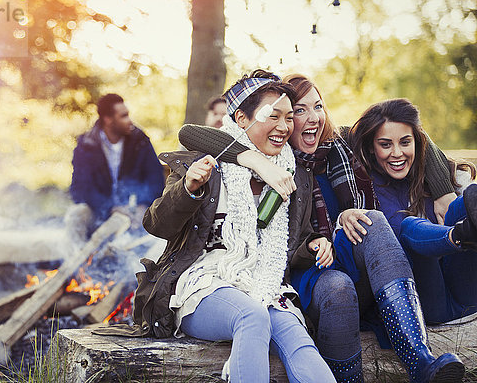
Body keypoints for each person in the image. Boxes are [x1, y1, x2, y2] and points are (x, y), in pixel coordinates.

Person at [178, 75, 465, 382]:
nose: (311, 117)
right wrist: (256, 161)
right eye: (298, 111)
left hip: (347, 252)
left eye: (318, 106)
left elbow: (411, 129)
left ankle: (419, 360)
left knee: (374, 221)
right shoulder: (276, 155)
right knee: (335, 286)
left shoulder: (339, 144)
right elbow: (190, 133)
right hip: (305, 268)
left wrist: (445, 189)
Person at [97, 70, 337, 382]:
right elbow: (156, 224)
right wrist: (190, 188)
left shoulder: (291, 174)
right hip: (203, 283)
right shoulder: (204, 162)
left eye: (289, 117)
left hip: (261, 282)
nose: (283, 126)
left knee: (297, 338)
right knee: (251, 316)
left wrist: (311, 245)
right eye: (273, 116)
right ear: (241, 118)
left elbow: (284, 248)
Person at [349, 98, 477, 325]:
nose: (397, 153)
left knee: (463, 203)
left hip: (469, 297)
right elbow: (327, 130)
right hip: (428, 305)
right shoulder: (363, 186)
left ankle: (463, 232)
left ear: (418, 142)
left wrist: (444, 192)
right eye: (385, 144)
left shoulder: (443, 175)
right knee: (409, 227)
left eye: (405, 142)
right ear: (371, 146)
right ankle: (460, 235)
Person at [68, 93, 165, 227]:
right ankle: (76, 249)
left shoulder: (140, 141)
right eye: (123, 116)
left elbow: (156, 179)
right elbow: (80, 188)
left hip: (134, 209)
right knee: (76, 215)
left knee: (150, 216)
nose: (130, 121)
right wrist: (109, 208)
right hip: (99, 210)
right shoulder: (86, 145)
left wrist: (142, 205)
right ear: (108, 119)